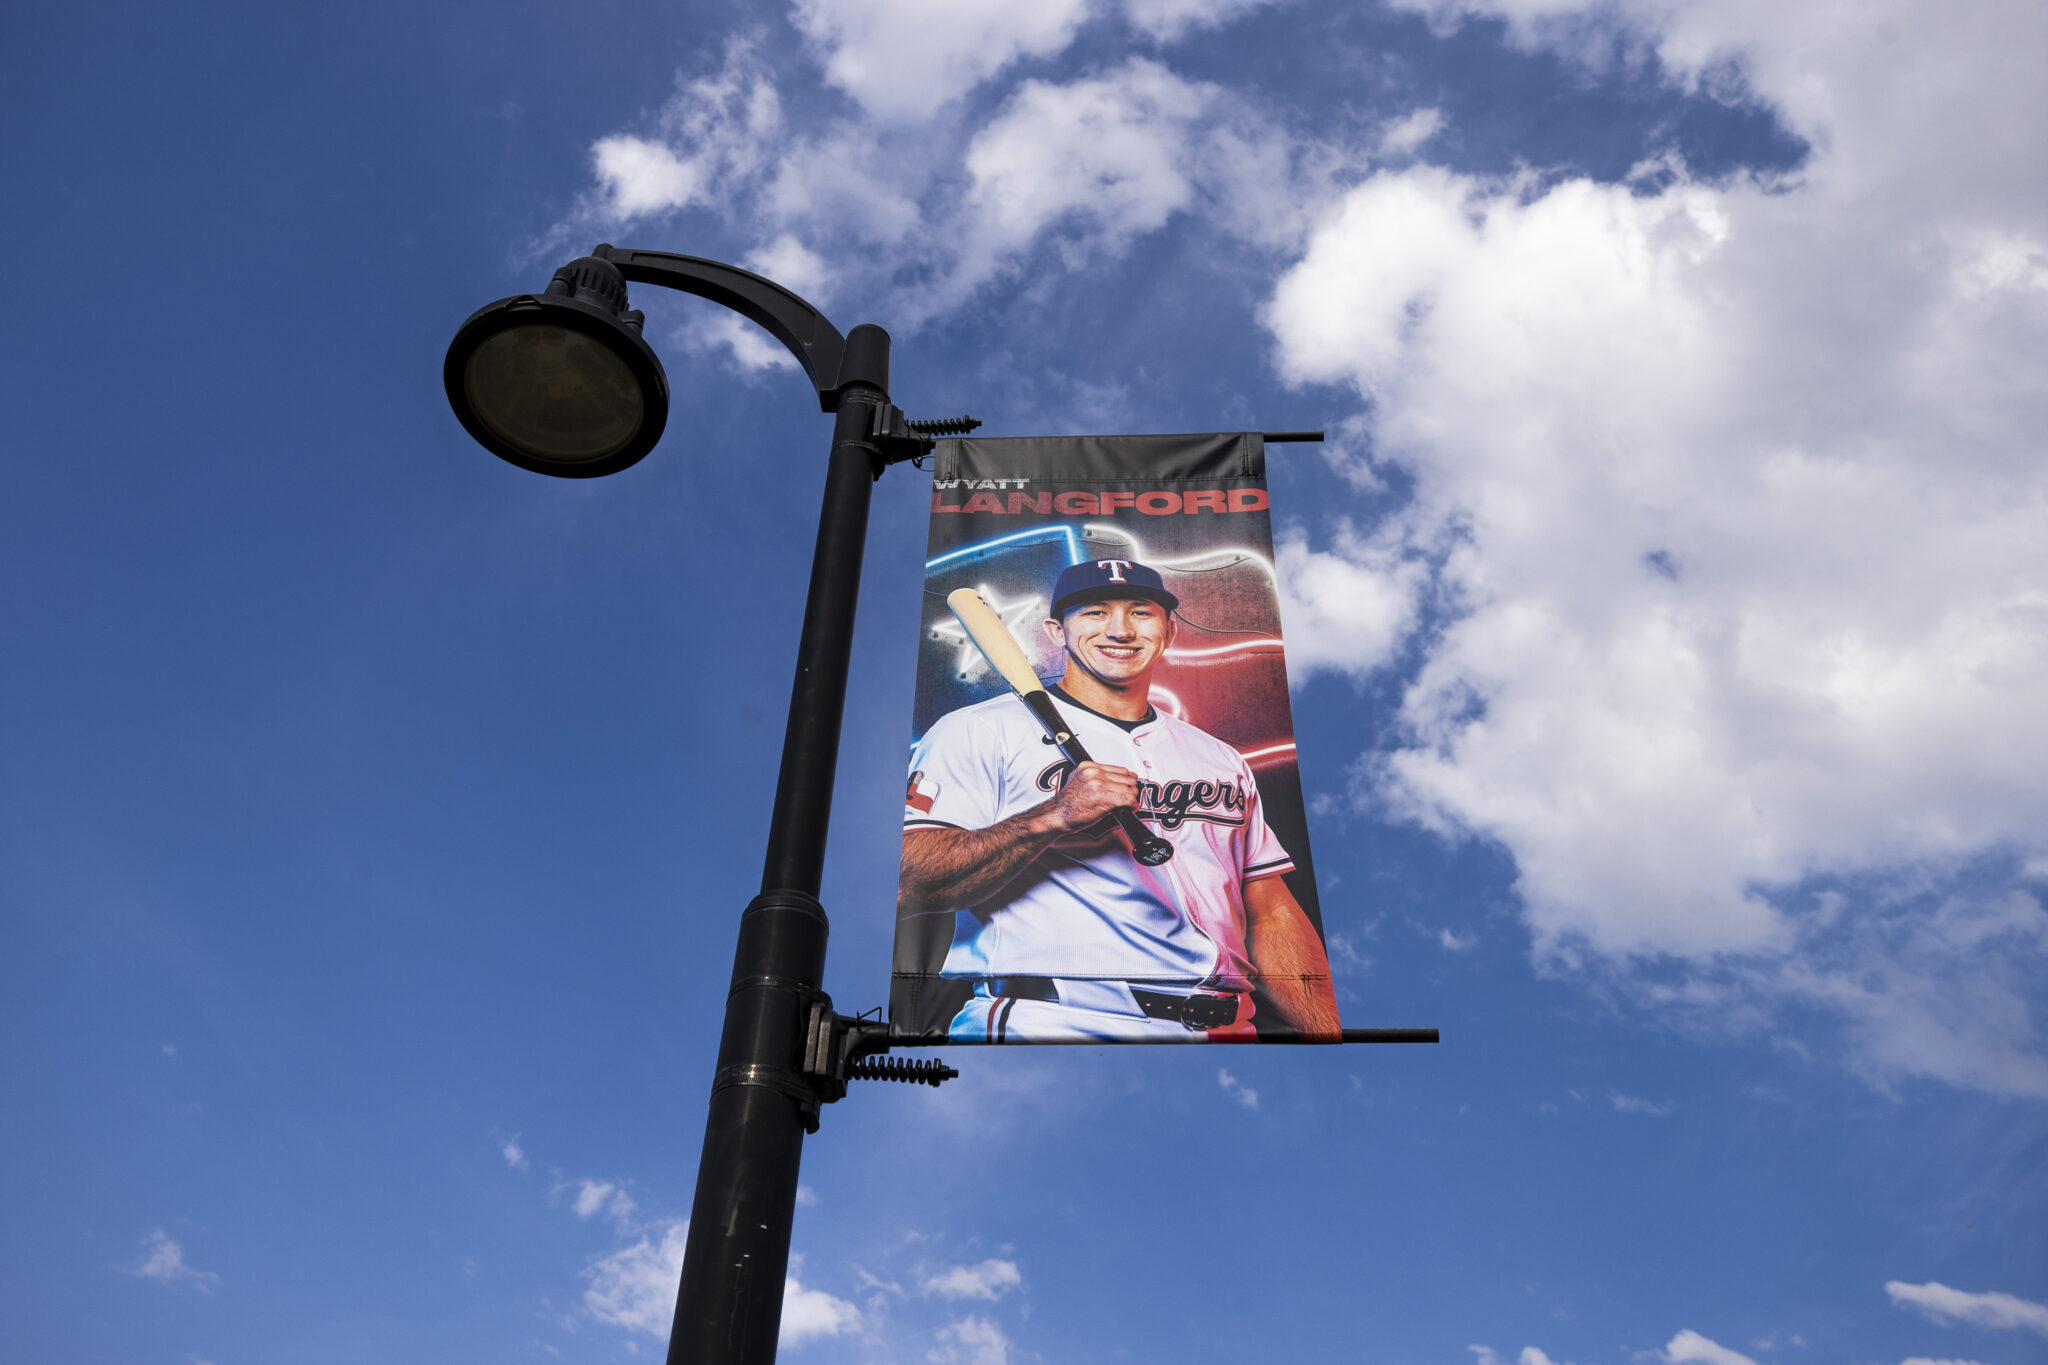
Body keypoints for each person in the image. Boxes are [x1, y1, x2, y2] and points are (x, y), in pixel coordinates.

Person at [898, 557, 1342, 1043]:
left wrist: (1328, 1037)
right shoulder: (980, 730)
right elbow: (910, 881)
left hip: (1229, 1030)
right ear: (1055, 631)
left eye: (1140, 612)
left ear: (1169, 631)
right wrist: (1052, 818)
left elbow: (1270, 912)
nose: (1120, 630)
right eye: (1094, 612)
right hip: (1054, 1023)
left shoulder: (1219, 758)